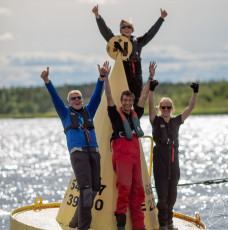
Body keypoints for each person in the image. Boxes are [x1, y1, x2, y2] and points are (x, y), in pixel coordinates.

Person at [40, 63, 107, 230]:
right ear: (69, 102)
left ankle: (74, 222)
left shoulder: (88, 111)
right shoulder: (65, 113)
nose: (77, 100)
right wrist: (47, 81)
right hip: (78, 154)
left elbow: (97, 97)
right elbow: (55, 97)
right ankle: (83, 227)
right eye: (73, 98)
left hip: (94, 152)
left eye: (79, 98)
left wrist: (101, 78)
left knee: (94, 188)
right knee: (85, 190)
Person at [102, 60, 157, 230]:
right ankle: (120, 225)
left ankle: (139, 226)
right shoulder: (114, 113)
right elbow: (109, 96)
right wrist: (105, 77)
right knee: (124, 188)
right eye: (125, 100)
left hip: (135, 155)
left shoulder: (136, 113)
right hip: (122, 153)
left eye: (129, 101)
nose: (127, 103)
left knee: (138, 190)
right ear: (122, 101)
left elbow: (144, 96)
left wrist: (150, 78)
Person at [92, 4, 167, 106]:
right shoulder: (117, 42)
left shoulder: (138, 41)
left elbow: (151, 33)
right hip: (123, 70)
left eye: (129, 27)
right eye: (124, 27)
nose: (126, 29)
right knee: (122, 98)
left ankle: (135, 118)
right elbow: (106, 32)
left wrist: (161, 18)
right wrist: (97, 16)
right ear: (120, 30)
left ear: (132, 29)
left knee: (136, 99)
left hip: (136, 72)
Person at [148, 81, 199, 230]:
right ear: (160, 108)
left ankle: (170, 222)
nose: (166, 109)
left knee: (172, 196)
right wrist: (151, 90)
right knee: (162, 196)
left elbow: (191, 108)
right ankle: (162, 224)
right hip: (160, 163)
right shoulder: (156, 121)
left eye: (168, 107)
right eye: (163, 107)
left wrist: (195, 92)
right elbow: (150, 107)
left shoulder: (177, 121)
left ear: (172, 109)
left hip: (174, 162)